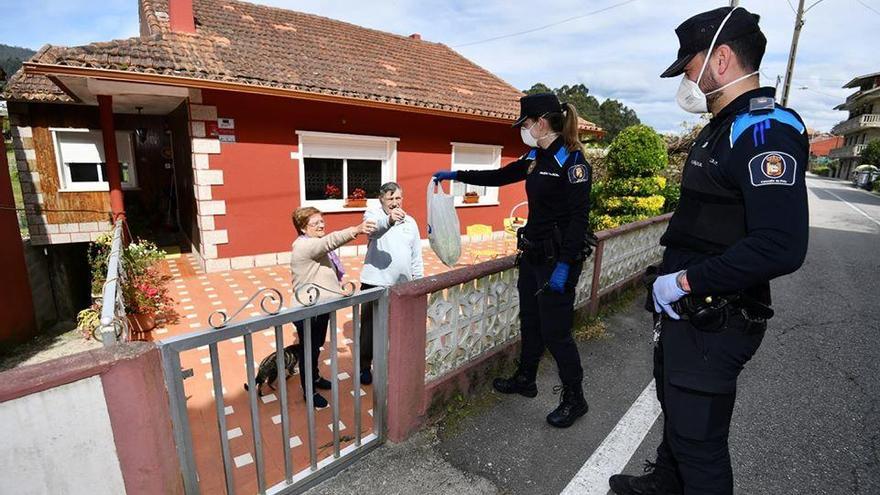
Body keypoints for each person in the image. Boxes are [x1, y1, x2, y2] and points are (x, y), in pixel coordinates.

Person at [609, 7, 809, 495]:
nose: (687, 78)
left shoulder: (764, 130)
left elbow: (781, 245)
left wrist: (683, 282)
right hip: (690, 312)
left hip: (715, 315)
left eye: (690, 66)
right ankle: (665, 483)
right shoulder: (724, 125)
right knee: (678, 414)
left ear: (721, 59)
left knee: (702, 447)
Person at [433, 92, 593, 428]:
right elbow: (500, 176)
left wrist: (565, 267)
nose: (523, 129)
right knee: (531, 321)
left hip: (558, 261)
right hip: (534, 254)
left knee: (557, 332)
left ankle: (575, 398)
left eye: (526, 123)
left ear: (540, 122)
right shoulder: (535, 156)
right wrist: (456, 174)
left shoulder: (572, 161)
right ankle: (526, 379)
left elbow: (579, 220)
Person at [290, 206, 376, 408]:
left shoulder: (313, 243)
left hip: (320, 304)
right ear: (303, 228)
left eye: (321, 221)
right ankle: (309, 392)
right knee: (308, 352)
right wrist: (356, 229)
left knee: (316, 346)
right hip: (307, 309)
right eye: (315, 223)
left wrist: (338, 291)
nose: (321, 225)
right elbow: (331, 241)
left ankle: (315, 378)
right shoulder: (305, 246)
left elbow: (323, 275)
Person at [358, 182, 424, 385]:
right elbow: (373, 231)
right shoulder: (373, 214)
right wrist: (389, 220)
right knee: (369, 328)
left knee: (399, 327)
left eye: (398, 198)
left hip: (401, 285)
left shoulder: (410, 222)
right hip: (374, 282)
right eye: (390, 199)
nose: (395, 203)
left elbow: (416, 255)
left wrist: (418, 282)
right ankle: (364, 367)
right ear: (381, 200)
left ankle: (395, 363)